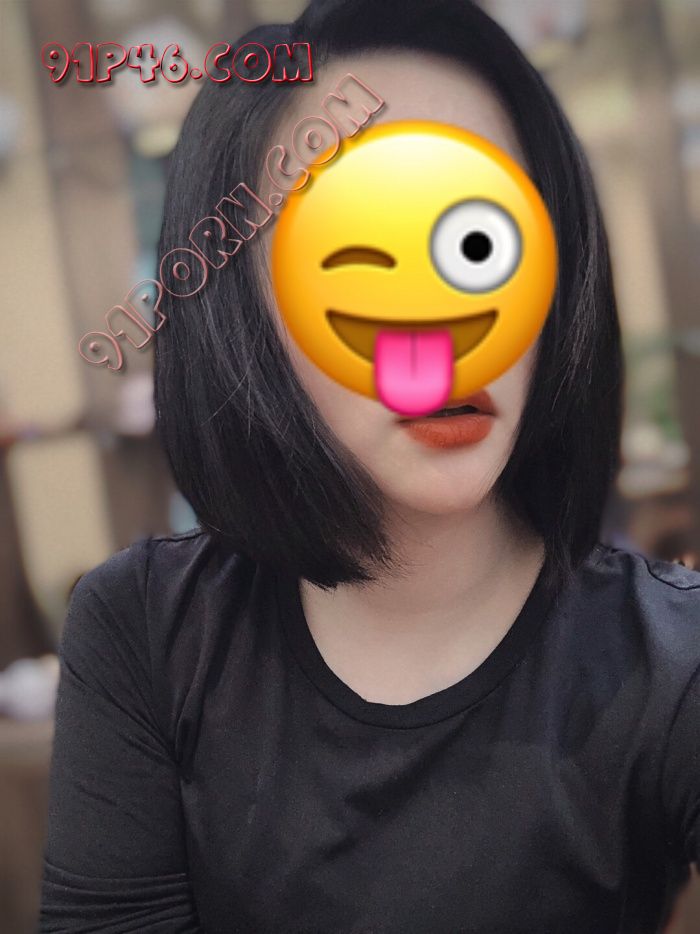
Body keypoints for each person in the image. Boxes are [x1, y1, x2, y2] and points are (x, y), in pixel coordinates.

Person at [39, 1, 700, 932]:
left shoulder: (676, 661)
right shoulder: (145, 631)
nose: (438, 330)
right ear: (241, 307)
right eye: (356, 250)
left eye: (479, 241)